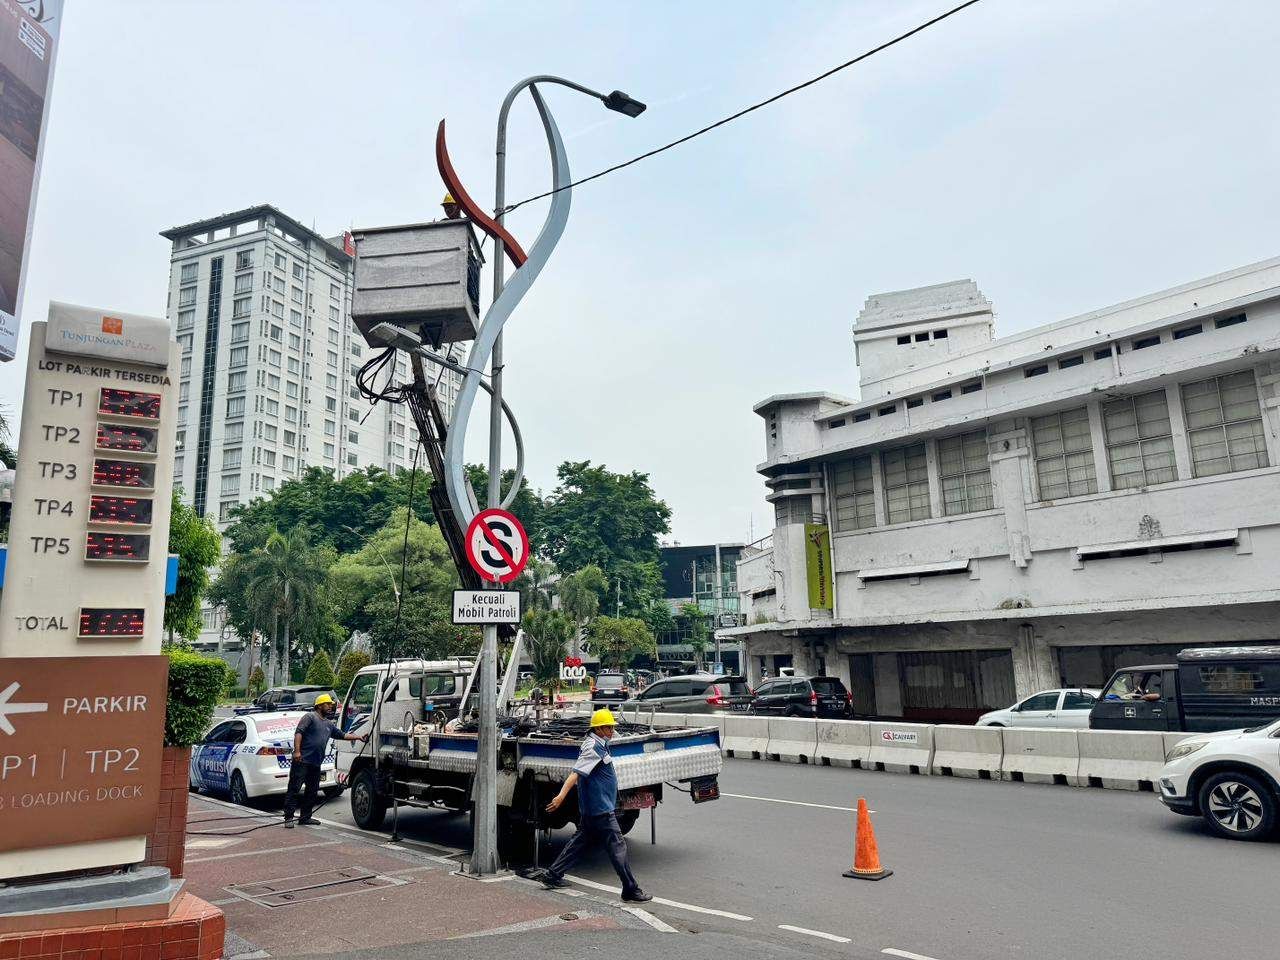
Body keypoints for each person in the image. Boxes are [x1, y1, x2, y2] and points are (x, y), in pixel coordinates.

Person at [538, 709, 651, 903]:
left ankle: (553, 875)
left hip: (594, 809)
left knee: (579, 842)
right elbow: (575, 773)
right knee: (618, 847)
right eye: (608, 728)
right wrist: (561, 796)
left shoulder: (600, 742)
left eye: (612, 727)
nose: (612, 731)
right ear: (598, 729)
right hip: (600, 809)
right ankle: (630, 889)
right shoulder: (592, 747)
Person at [284, 693, 366, 827]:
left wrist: (358, 737)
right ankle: (288, 818)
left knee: (312, 791)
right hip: (302, 761)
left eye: (331, 705)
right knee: (294, 789)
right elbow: (299, 733)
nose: (330, 707)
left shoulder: (328, 724)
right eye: (327, 704)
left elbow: (341, 735)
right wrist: (297, 751)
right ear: (319, 706)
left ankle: (305, 817)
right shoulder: (310, 717)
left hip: (315, 763)